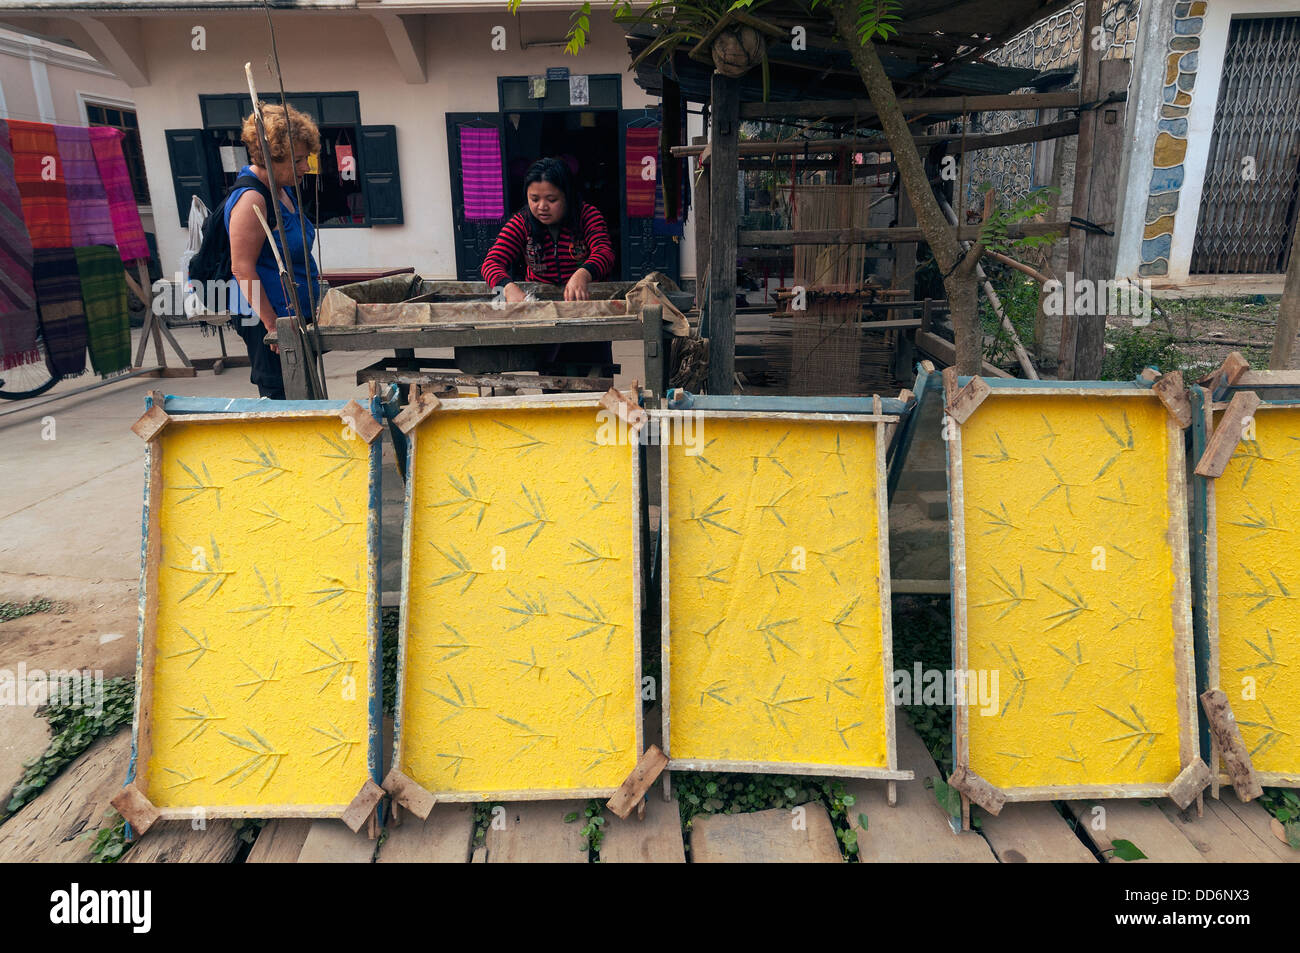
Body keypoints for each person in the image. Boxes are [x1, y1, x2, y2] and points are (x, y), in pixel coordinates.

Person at [479, 157, 616, 376]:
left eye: (551, 199)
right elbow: (492, 262)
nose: (541, 207)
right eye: (534, 198)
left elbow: (604, 252)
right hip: (545, 318)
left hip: (587, 315)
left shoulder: (588, 217)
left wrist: (583, 274)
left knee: (595, 381)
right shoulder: (522, 223)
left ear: (567, 196)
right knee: (553, 381)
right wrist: (507, 286)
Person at [225, 103, 322, 399]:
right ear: (271, 158)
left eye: (306, 158)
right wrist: (273, 327)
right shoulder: (252, 200)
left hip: (296, 316)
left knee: (306, 395)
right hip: (270, 322)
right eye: (299, 160)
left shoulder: (283, 190)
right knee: (284, 399)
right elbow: (242, 268)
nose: (306, 167)